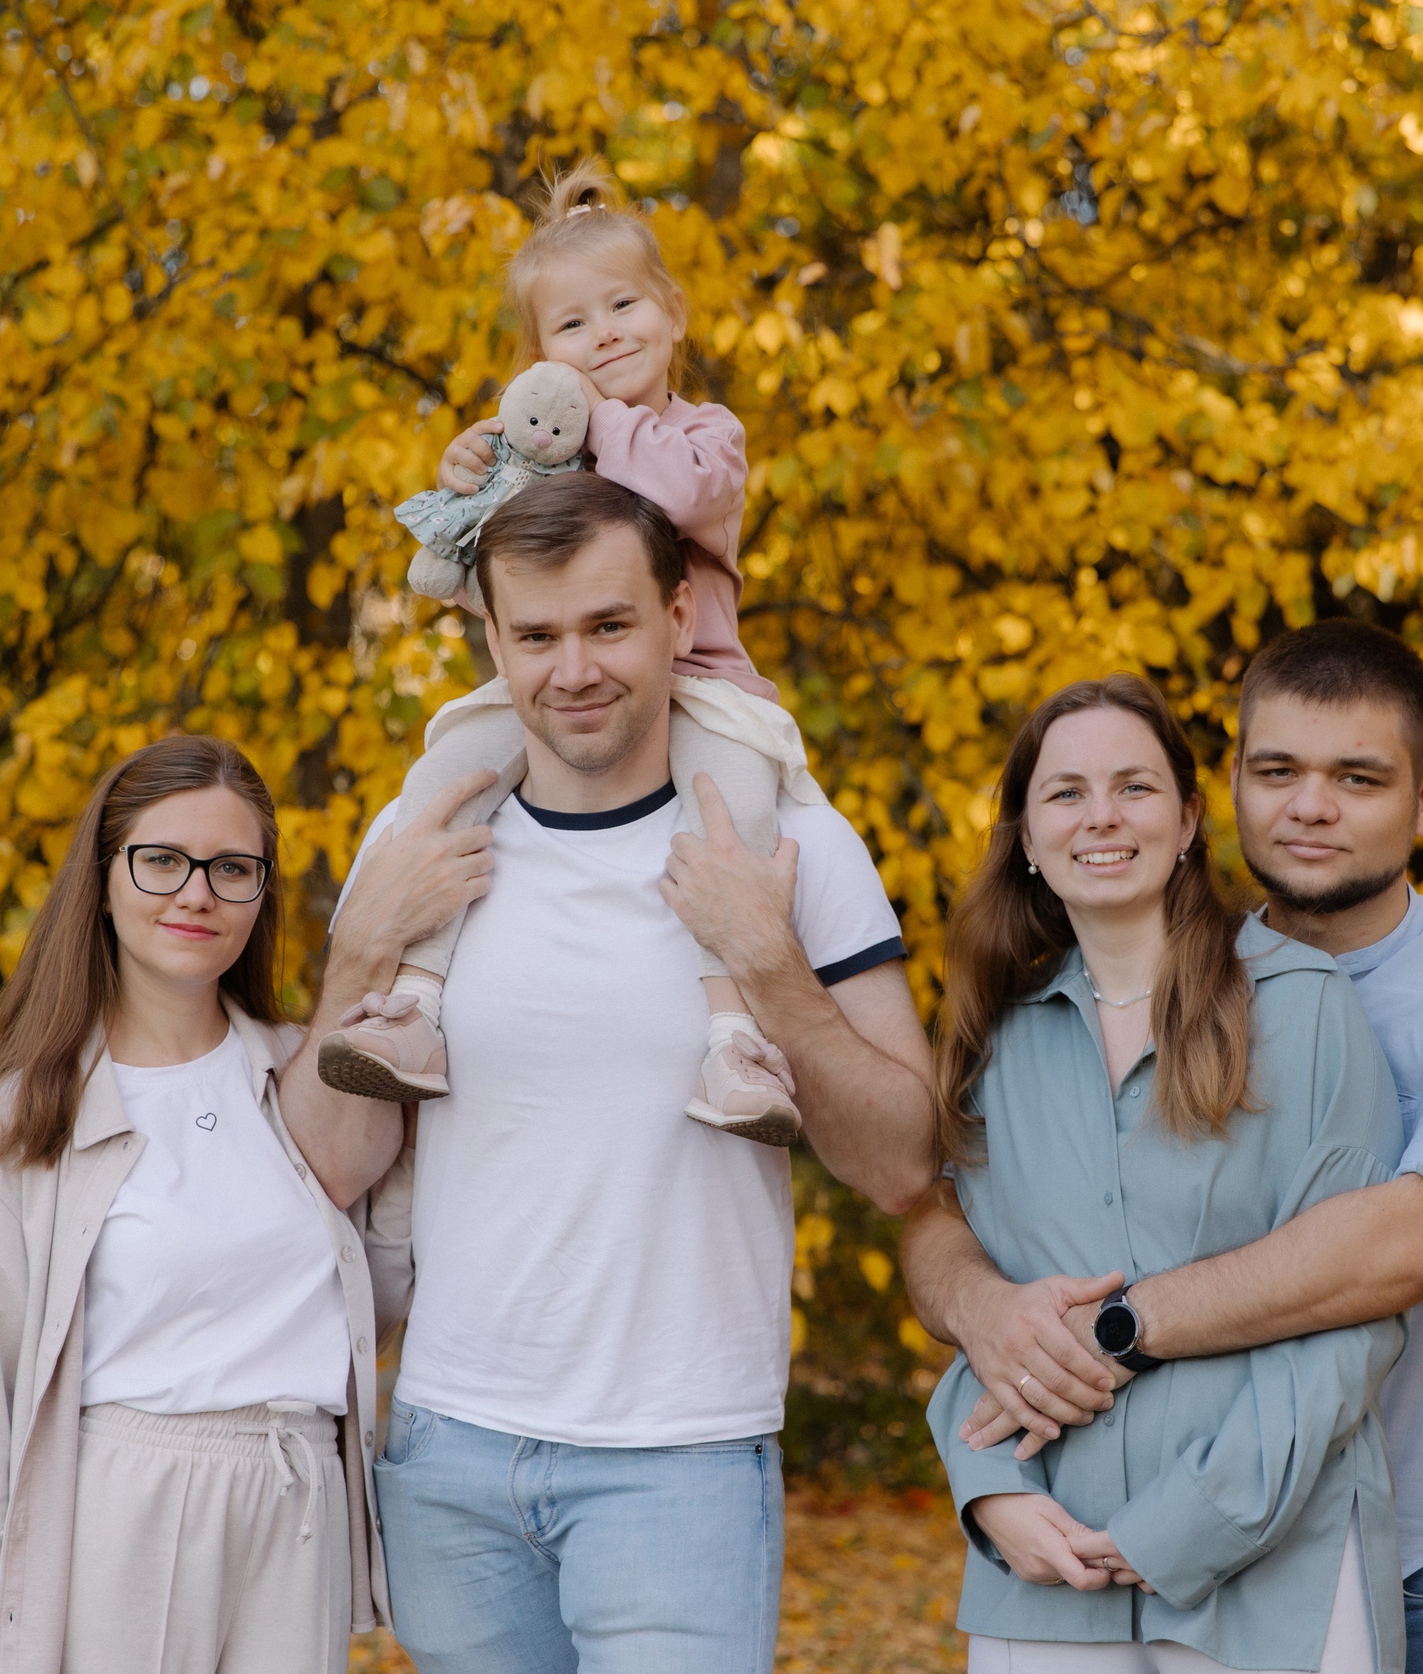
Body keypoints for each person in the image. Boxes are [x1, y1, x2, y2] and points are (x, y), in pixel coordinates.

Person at [279, 470, 942, 1674]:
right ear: (492, 639)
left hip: (680, 1457)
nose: (571, 668)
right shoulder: (421, 836)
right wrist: (364, 946)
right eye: (534, 635)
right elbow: (326, 1160)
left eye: (607, 625)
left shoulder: (794, 839)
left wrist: (766, 961)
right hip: (450, 1453)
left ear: (679, 618)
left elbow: (902, 1162)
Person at [903, 621, 1423, 1674]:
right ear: (1223, 793)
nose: (1309, 806)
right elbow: (975, 1251)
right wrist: (992, 1352)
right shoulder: (1064, 1016)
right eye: (1276, 771)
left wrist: (1108, 1335)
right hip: (1105, 1544)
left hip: (1414, 1541)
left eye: (1356, 778)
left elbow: (1407, 1249)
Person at [321, 156, 812, 1145]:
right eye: (572, 328)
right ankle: (415, 1007)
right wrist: (472, 473)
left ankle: (732, 1040)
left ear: (672, 313)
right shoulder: (539, 458)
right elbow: (473, 584)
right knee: (444, 781)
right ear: (538, 354)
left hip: (700, 686)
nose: (605, 337)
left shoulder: (705, 435)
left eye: (623, 306)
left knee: (739, 809)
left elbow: (672, 499)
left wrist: (589, 422)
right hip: (556, 691)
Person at [923, 673, 1406, 1674]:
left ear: (1188, 820)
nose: (1100, 817)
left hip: (1268, 1584)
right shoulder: (991, 1041)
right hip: (1041, 1574)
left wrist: (1191, 1521)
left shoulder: (1302, 1008)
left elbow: (1353, 1310)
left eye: (1133, 788)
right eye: (1064, 794)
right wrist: (988, 1490)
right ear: (1023, 835)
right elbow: (986, 1308)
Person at [0, 736, 403, 1674]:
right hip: (125, 1511)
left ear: (263, 893)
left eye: (232, 868)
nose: (197, 893)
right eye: (162, 859)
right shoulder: (18, 1126)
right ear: (102, 879)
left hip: (298, 1503)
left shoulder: (308, 1078)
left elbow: (384, 1285)